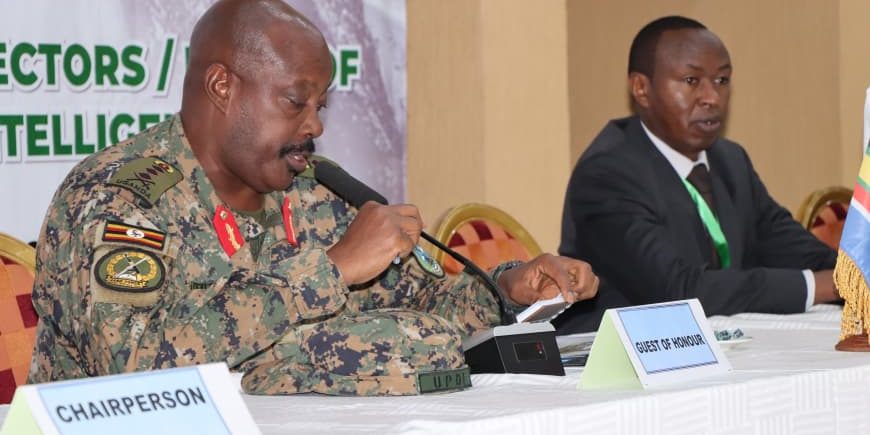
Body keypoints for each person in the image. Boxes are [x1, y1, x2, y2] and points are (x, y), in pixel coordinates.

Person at [27, 0, 598, 395]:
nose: (316, 125)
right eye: (295, 101)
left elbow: (427, 305)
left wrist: (508, 288)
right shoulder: (118, 199)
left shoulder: (316, 189)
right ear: (222, 87)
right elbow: (133, 367)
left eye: (320, 105)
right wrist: (328, 271)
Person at [553, 16, 836, 334]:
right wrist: (820, 286)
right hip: (623, 353)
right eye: (691, 81)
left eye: (722, 80)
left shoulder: (729, 160)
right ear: (641, 88)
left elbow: (785, 243)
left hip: (725, 341)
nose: (712, 97)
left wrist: (851, 274)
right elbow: (676, 290)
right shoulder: (607, 175)